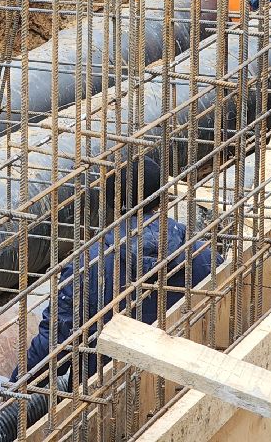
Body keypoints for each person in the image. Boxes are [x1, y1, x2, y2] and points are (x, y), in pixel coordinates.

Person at [18, 157, 213, 388]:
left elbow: (54, 350)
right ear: (162, 198)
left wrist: (13, 389)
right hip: (190, 384)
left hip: (105, 397)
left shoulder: (89, 264)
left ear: (111, 204)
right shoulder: (199, 250)